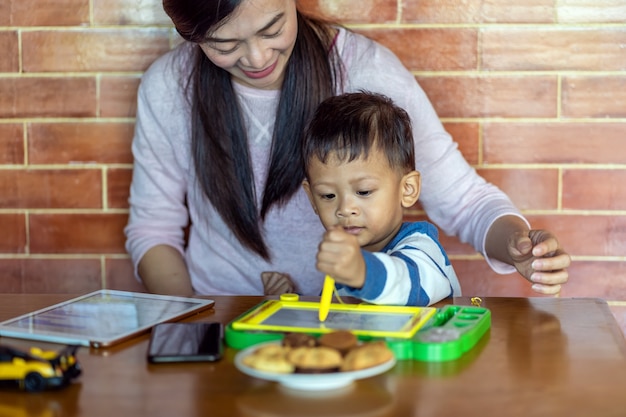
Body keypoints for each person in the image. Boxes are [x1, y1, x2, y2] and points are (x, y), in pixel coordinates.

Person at [124, 0, 570, 298]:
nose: (257, 58)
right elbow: (153, 231)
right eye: (226, 44)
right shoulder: (169, 87)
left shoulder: (365, 71)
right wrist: (192, 325)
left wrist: (516, 243)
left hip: (353, 327)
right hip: (228, 323)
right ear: (191, 35)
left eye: (272, 27)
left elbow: (464, 200)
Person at [301, 91, 461, 305]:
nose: (345, 208)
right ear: (312, 198)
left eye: (364, 191)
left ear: (408, 189)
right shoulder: (345, 262)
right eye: (327, 195)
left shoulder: (422, 250)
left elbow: (406, 285)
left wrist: (363, 272)